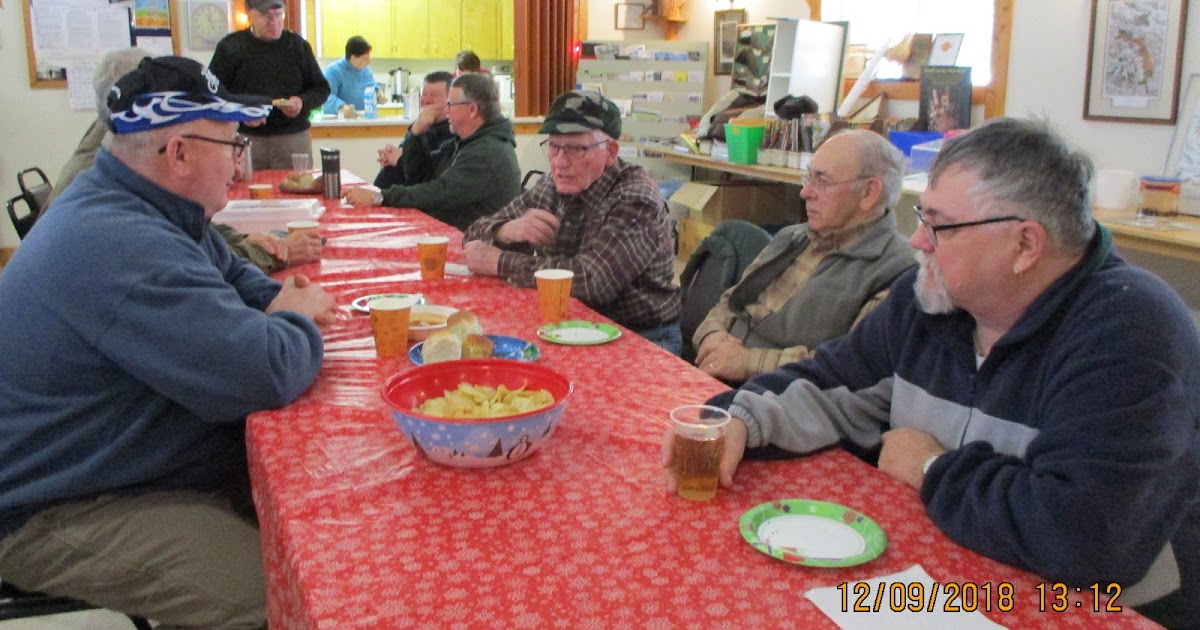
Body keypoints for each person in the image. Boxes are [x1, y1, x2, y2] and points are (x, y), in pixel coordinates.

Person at [661, 118, 1200, 628]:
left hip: (1096, 606)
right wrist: (735, 419)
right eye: (922, 220)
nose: (918, 243)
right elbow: (829, 376)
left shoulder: (1132, 333)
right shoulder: (929, 300)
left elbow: (1085, 538)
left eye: (940, 227)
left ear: (1025, 245)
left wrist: (932, 467)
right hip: (944, 577)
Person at [0, 55, 338, 628]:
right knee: (293, 593)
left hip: (112, 462)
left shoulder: (144, 205)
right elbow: (264, 372)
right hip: (52, 506)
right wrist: (297, 319)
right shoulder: (119, 242)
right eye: (232, 144)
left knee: (308, 512)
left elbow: (234, 276)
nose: (239, 166)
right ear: (179, 153)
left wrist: (276, 306)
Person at [43, 47, 321, 274]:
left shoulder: (115, 146)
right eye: (230, 144)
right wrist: (274, 255)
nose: (236, 165)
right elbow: (182, 264)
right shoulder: (115, 216)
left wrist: (239, 242)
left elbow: (188, 232)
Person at [462, 90, 681, 354]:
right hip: (570, 326)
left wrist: (499, 262)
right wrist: (507, 230)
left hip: (641, 336)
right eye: (554, 147)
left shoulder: (635, 198)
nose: (560, 162)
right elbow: (472, 237)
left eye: (576, 149)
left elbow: (592, 281)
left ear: (610, 151)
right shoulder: (553, 185)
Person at [693, 130, 915, 384]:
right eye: (808, 177)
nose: (805, 192)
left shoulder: (895, 270)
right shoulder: (792, 237)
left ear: (869, 193)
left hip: (777, 399)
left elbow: (850, 366)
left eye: (822, 180)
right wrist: (711, 335)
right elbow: (731, 301)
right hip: (717, 371)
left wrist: (746, 362)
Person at [345, 73, 520, 231]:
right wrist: (415, 132)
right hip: (455, 233)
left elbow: (439, 192)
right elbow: (421, 173)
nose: (446, 110)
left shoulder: (487, 152)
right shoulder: (464, 141)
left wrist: (379, 197)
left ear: (472, 110)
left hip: (477, 246)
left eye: (450, 104)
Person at [209, 0, 330, 170]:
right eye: (266, 15)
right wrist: (242, 112)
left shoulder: (297, 46)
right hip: (245, 139)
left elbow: (321, 89)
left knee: (297, 193)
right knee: (243, 193)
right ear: (250, 13)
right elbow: (214, 94)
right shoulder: (230, 47)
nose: (274, 22)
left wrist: (302, 101)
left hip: (292, 139)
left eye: (278, 14)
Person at [372, 71, 455, 189]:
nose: (426, 100)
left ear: (450, 100)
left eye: (434, 95)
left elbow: (427, 178)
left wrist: (400, 161)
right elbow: (403, 153)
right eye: (424, 94)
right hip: (386, 197)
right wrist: (390, 156)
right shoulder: (419, 125)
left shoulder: (452, 133)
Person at [321, 35, 385, 118]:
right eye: (365, 58)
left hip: (364, 120)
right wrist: (342, 107)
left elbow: (372, 89)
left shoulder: (366, 71)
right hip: (339, 122)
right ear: (353, 58)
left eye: (369, 57)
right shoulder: (333, 71)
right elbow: (326, 98)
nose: (369, 62)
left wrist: (379, 95)